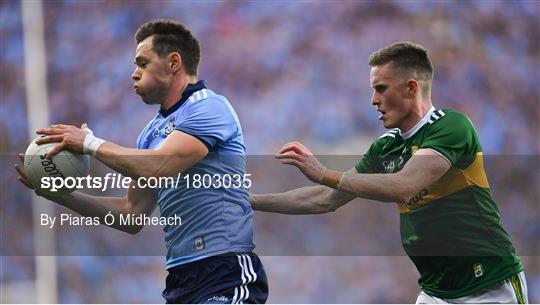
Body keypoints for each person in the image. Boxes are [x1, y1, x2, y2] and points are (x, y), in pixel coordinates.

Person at [250, 42, 528, 304]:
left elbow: (404, 186)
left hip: (489, 285)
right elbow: (324, 198)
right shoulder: (386, 147)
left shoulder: (452, 127)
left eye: (381, 89)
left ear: (410, 88)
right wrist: (249, 201)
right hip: (436, 292)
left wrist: (324, 173)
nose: (373, 100)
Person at [15, 19, 268, 304]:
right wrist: (60, 195)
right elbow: (131, 214)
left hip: (226, 272)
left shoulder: (210, 107)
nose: (134, 74)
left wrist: (89, 144)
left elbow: (159, 166)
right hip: (181, 279)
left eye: (143, 63)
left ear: (174, 62)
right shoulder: (150, 135)